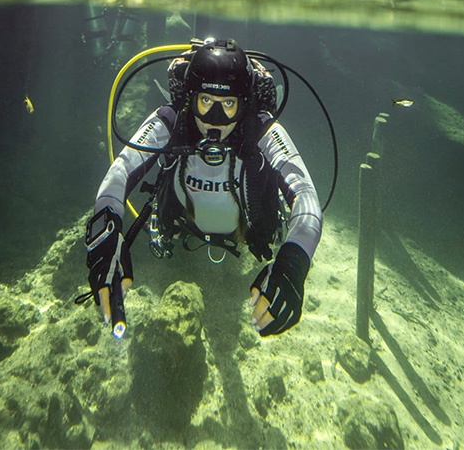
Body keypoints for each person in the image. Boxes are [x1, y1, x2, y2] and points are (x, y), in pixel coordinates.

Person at [85, 38, 322, 337]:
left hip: (246, 234)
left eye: (228, 105)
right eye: (206, 102)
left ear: (243, 105)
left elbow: (305, 194)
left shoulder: (259, 127)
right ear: (190, 99)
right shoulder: (174, 120)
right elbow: (119, 173)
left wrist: (293, 263)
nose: (215, 121)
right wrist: (103, 238)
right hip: (184, 228)